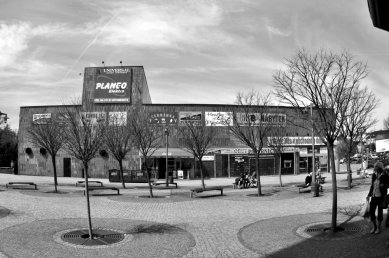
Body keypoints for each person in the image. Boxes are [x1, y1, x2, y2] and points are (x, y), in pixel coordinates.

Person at [367, 162, 389, 234]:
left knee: (380, 213)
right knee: (371, 212)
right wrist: (369, 194)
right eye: (375, 167)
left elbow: (388, 185)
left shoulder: (385, 176)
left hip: (381, 197)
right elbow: (372, 186)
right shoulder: (374, 175)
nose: (375, 169)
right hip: (374, 196)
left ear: (380, 168)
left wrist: (384, 185)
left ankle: (378, 228)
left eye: (376, 167)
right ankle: (374, 226)